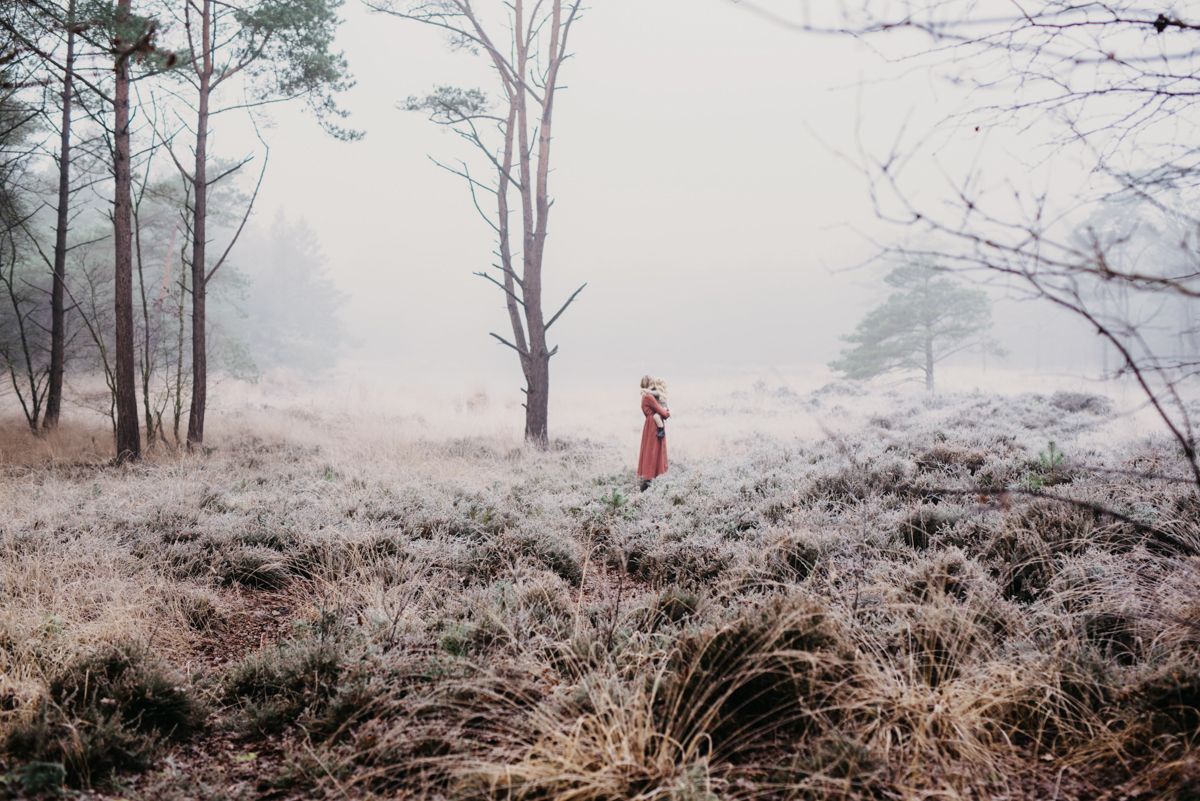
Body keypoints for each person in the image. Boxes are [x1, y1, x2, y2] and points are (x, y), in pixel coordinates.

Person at [637, 374, 670, 490]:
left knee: (649, 452)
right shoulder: (649, 397)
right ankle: (650, 482)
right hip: (653, 426)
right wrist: (666, 412)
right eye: (652, 384)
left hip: (649, 425)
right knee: (653, 453)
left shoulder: (645, 397)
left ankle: (648, 481)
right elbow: (663, 413)